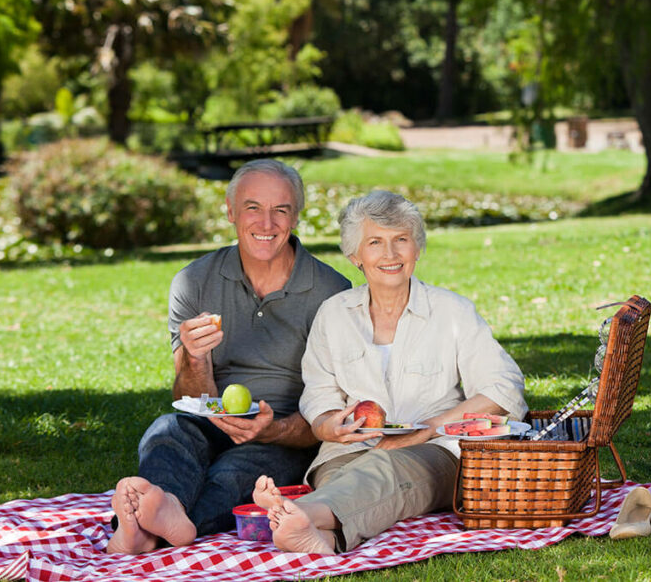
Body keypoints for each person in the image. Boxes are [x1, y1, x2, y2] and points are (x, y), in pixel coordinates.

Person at [252, 190, 526, 554]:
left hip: (436, 451)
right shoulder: (334, 315)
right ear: (355, 255)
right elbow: (318, 397)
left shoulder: (452, 311)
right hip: (349, 451)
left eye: (401, 240)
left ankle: (295, 511)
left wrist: (428, 429)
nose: (390, 254)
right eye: (375, 242)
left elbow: (503, 388)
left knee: (386, 471)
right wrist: (329, 425)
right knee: (345, 481)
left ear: (417, 249)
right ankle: (324, 539)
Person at [106, 159, 351, 554]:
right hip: (210, 420)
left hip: (284, 436)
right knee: (167, 432)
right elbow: (186, 396)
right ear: (231, 210)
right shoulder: (194, 281)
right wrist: (196, 357)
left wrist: (274, 430)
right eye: (253, 207)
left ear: (296, 217)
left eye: (281, 210)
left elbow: (332, 412)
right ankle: (160, 511)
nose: (266, 223)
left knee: (234, 474)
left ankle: (146, 529)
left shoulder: (332, 292)